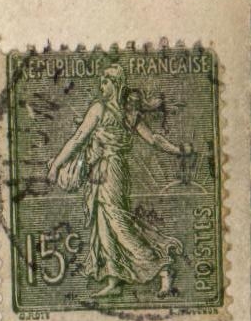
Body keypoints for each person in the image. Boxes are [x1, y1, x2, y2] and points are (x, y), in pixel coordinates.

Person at [48, 64, 192, 298]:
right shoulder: (106, 110)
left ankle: (163, 268)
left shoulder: (118, 113)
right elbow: (77, 139)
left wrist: (177, 150)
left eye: (105, 82)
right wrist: (57, 163)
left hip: (112, 172)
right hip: (100, 172)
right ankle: (114, 280)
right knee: (103, 225)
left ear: (116, 85)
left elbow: (153, 139)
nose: (101, 85)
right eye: (101, 81)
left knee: (119, 225)